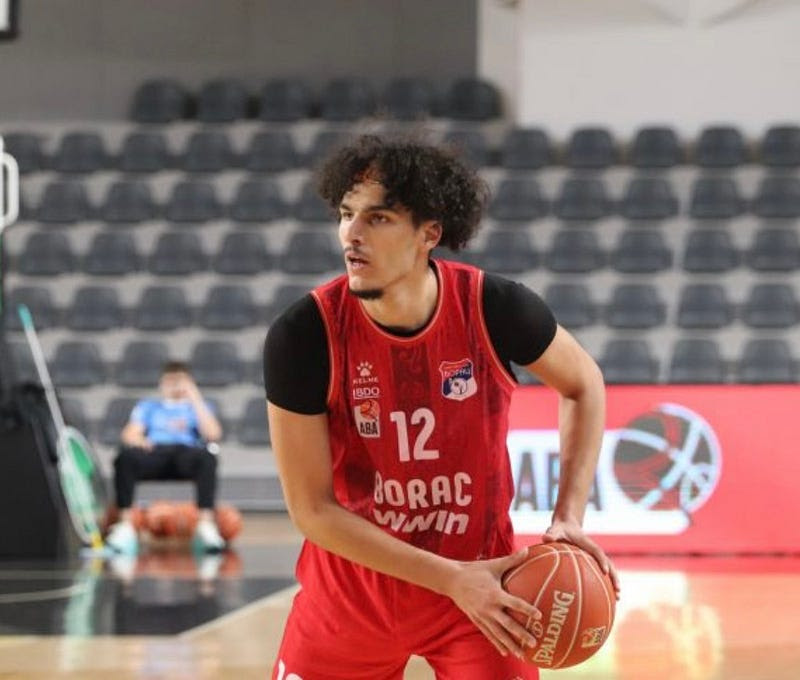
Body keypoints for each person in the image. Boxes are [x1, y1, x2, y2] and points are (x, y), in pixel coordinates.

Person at [264, 135, 619, 680]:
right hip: (353, 596)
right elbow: (312, 511)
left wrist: (568, 516)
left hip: (485, 591)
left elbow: (584, 383)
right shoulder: (305, 334)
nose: (352, 234)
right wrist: (451, 579)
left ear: (429, 233)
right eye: (346, 214)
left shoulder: (494, 308)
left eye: (378, 218)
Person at [105, 360, 226, 555]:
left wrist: (194, 397)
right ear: (162, 383)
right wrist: (139, 439)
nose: (175, 385)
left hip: (185, 453)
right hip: (155, 452)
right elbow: (129, 434)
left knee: (207, 457)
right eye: (170, 380)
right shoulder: (149, 406)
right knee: (125, 457)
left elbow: (213, 434)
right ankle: (125, 525)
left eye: (180, 380)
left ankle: (205, 524)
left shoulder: (198, 407)